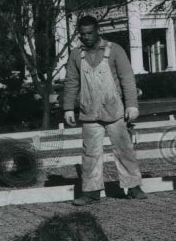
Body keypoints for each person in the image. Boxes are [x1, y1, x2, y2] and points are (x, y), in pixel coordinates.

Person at [62, 15, 146, 205]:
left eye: (90, 33)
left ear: (97, 30)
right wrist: (68, 108)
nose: (86, 37)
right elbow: (71, 82)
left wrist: (132, 105)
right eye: (82, 34)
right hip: (89, 113)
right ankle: (91, 192)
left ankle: (133, 187)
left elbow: (127, 78)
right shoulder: (76, 55)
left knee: (124, 149)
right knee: (90, 154)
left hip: (115, 112)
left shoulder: (114, 50)